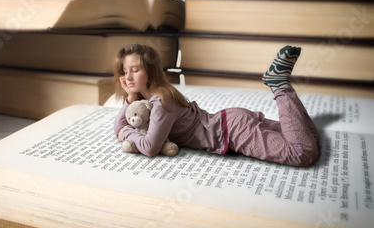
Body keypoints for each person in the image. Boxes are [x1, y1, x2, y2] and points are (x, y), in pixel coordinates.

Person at [113, 44, 319, 167]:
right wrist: (130, 95)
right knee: (309, 136)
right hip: (231, 121)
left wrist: (128, 135)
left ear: (150, 71)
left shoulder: (161, 101)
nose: (127, 77)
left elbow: (150, 147)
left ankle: (279, 85)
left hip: (233, 132)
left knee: (302, 153)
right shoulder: (157, 96)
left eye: (135, 70)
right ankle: (281, 85)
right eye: (125, 71)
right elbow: (119, 127)